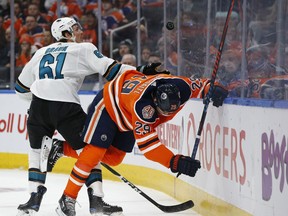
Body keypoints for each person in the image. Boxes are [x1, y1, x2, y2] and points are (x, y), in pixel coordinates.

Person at [49, 68, 228, 215]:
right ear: (155, 99)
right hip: (108, 105)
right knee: (94, 153)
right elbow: (149, 148)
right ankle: (67, 199)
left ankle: (61, 148)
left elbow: (203, 84)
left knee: (114, 159)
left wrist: (214, 88)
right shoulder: (144, 107)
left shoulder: (181, 87)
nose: (164, 115)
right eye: (161, 110)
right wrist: (174, 161)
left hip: (126, 112)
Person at [15, 16, 136, 216]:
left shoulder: (40, 53)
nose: (81, 31)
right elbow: (113, 70)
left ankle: (33, 200)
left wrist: (39, 98)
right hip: (65, 106)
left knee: (36, 152)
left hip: (38, 107)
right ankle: (96, 200)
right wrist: (140, 73)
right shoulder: (83, 49)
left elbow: (20, 88)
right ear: (65, 33)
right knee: (89, 151)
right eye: (76, 28)